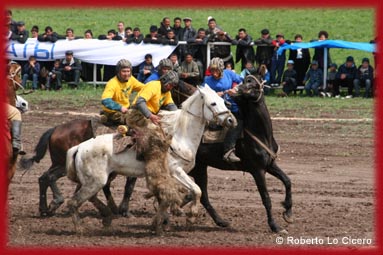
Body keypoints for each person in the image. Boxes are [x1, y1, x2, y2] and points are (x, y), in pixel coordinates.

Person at [203, 57, 243, 163]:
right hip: (218, 109)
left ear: (221, 69)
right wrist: (214, 95)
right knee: (235, 124)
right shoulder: (207, 80)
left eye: (216, 70)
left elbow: (241, 81)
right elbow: (203, 94)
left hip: (232, 104)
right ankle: (229, 150)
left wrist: (235, 89)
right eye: (212, 70)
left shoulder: (229, 74)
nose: (214, 73)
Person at [100, 59, 145, 125]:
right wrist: (120, 107)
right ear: (118, 72)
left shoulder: (131, 79)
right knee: (131, 120)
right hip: (114, 111)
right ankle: (107, 118)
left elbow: (143, 88)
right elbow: (105, 100)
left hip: (126, 109)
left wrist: (153, 87)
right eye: (124, 71)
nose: (126, 74)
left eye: (128, 71)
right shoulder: (112, 83)